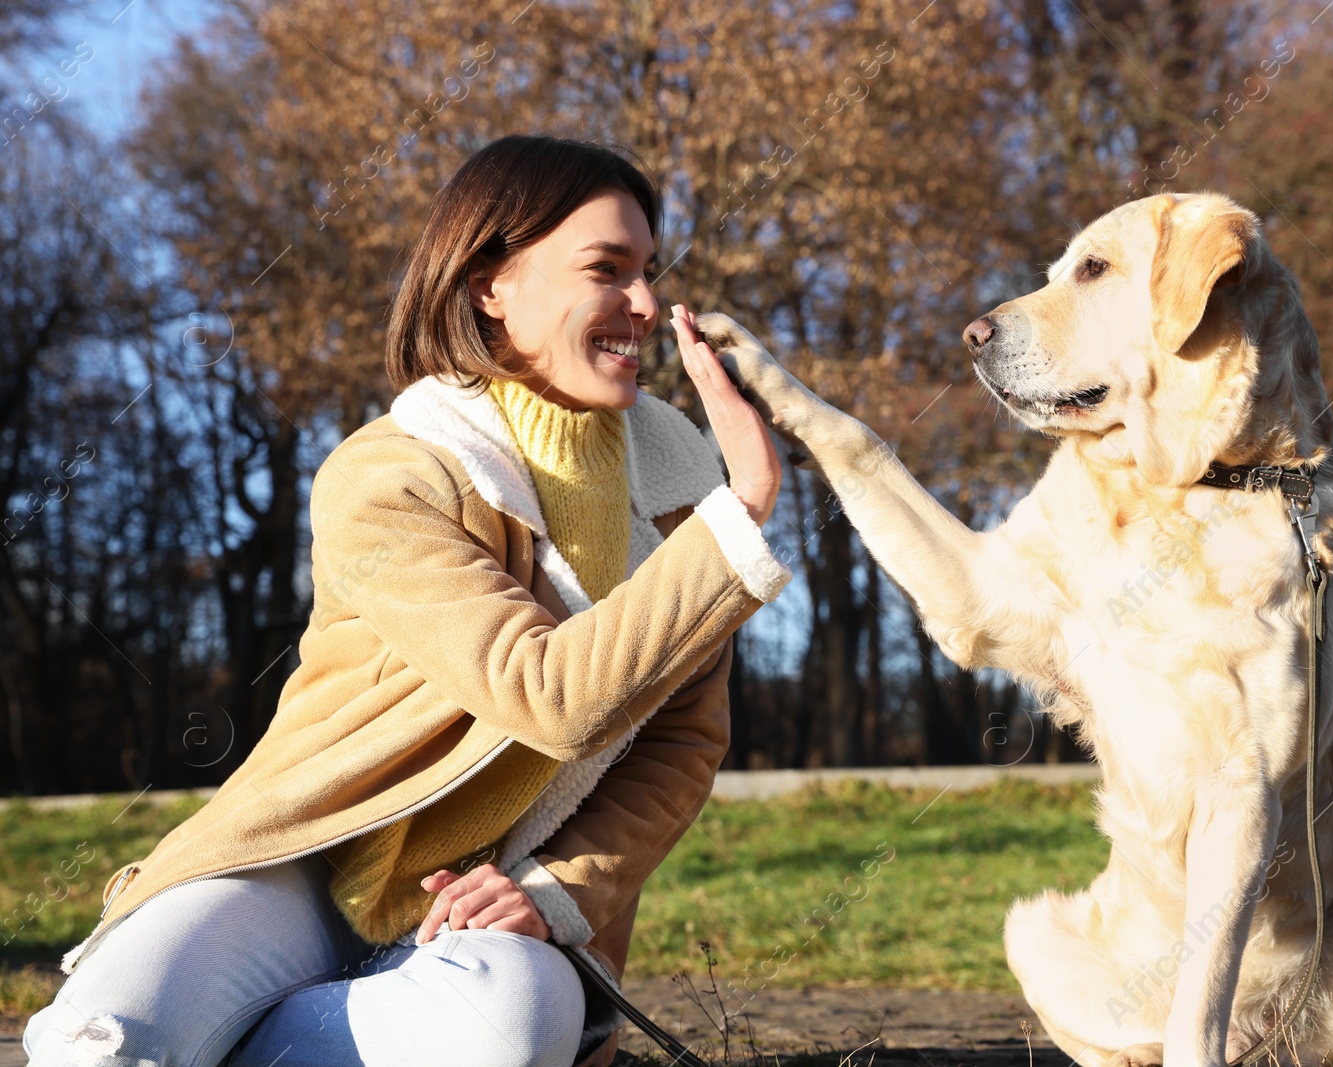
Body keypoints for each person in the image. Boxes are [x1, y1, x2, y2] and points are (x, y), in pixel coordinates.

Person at [23, 134, 790, 1067]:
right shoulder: (392, 473)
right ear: (487, 283)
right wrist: (738, 511)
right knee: (95, 1046)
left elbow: (682, 740)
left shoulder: (678, 493)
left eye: (648, 270)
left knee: (509, 1030)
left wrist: (555, 892)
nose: (644, 302)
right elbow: (549, 694)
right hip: (299, 870)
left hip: (475, 919)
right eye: (607, 269)